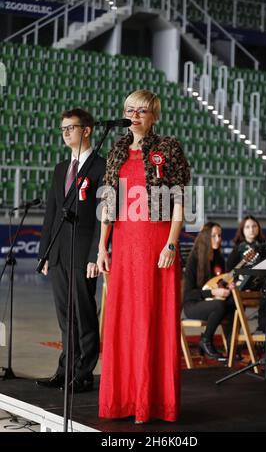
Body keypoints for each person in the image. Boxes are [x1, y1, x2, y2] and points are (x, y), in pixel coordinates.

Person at [97, 89, 190, 424]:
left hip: (155, 242)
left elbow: (179, 199)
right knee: (122, 321)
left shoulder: (168, 148)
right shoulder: (117, 148)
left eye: (142, 111)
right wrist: (102, 247)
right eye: (129, 110)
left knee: (152, 320)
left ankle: (151, 402)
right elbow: (108, 202)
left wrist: (171, 243)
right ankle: (122, 399)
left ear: (154, 116)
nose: (134, 116)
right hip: (123, 244)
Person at [36, 108, 106, 393]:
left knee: (84, 314)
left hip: (83, 253)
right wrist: (45, 253)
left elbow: (104, 216)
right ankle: (66, 369)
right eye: (63, 128)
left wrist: (94, 255)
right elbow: (51, 214)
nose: (65, 133)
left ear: (87, 130)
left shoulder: (102, 167)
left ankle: (85, 372)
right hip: (59, 254)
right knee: (65, 315)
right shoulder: (61, 168)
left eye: (71, 128)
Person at [183, 222, 235, 360]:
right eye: (213, 236)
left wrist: (227, 287)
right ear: (206, 237)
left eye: (219, 235)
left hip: (210, 302)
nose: (218, 239)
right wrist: (213, 293)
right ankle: (206, 340)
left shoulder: (218, 258)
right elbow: (188, 294)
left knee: (233, 304)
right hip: (193, 305)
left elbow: (220, 283)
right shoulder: (193, 260)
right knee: (220, 305)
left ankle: (232, 349)